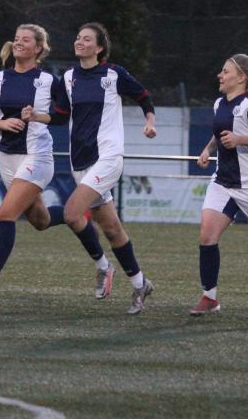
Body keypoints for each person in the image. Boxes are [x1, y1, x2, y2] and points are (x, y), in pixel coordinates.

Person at [25, 22, 157, 314]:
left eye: (86, 39)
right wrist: (37, 115)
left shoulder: (113, 74)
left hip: (108, 157)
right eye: (77, 38)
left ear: (99, 48)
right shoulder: (68, 78)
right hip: (80, 161)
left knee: (72, 213)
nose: (79, 42)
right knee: (111, 229)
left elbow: (143, 95)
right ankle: (140, 284)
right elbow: (60, 116)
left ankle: (103, 266)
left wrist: (150, 120)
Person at [0, 25, 77, 300]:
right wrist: (2, 122)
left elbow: (63, 116)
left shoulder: (50, 81)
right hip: (8, 157)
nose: (18, 43)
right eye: (16, 39)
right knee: (40, 220)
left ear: (38, 48)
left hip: (37, 155)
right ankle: (78, 215)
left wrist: (38, 116)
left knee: (5, 214)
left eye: (25, 40)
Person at [190, 53, 248, 315]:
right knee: (207, 236)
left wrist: (240, 140)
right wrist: (207, 149)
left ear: (242, 78)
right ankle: (209, 297)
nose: (219, 75)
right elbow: (220, 133)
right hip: (223, 182)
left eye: (225, 71)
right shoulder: (218, 104)